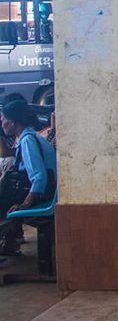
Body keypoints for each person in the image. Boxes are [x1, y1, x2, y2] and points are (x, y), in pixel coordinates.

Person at [0, 100, 57, 256]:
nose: (1, 122)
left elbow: (39, 177)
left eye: (3, 119)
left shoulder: (27, 141)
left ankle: (10, 242)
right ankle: (10, 243)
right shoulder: (30, 135)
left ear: (12, 122)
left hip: (43, 194)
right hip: (46, 191)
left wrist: (25, 204)